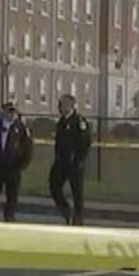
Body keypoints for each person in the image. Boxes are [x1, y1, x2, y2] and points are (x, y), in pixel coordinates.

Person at [0, 101, 35, 222]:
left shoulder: (21, 128)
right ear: (3, 112)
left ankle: (9, 216)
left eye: (13, 112)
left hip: (13, 166)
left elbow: (28, 147)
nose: (11, 114)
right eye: (9, 111)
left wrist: (22, 163)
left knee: (12, 193)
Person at [50, 94, 92, 226]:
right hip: (61, 162)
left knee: (77, 192)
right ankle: (66, 211)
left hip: (75, 163)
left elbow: (85, 142)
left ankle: (78, 218)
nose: (60, 107)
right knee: (54, 185)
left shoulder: (79, 121)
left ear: (70, 105)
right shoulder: (61, 122)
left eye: (62, 104)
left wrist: (79, 159)